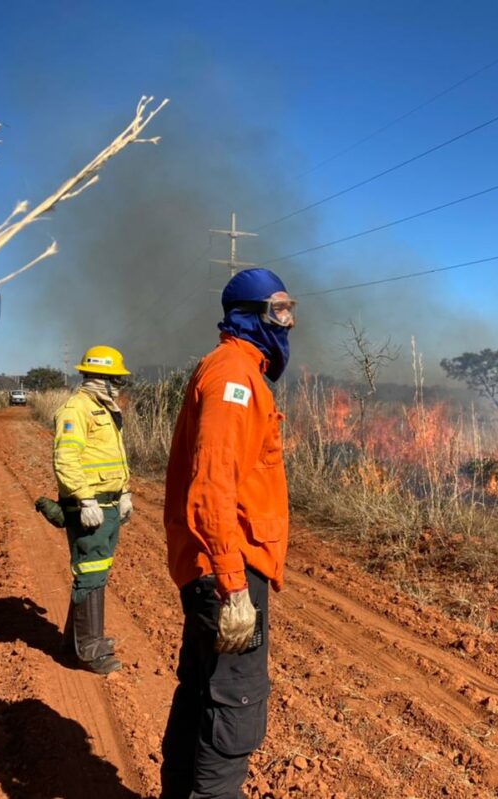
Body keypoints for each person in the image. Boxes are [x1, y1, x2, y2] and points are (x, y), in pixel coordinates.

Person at [160, 268, 295, 799]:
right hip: (227, 570)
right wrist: (233, 585)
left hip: (220, 566)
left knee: (201, 696)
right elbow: (213, 485)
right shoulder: (234, 378)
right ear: (252, 314)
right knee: (232, 707)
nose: (289, 321)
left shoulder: (234, 371)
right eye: (281, 309)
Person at [52, 345, 133, 675]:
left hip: (110, 504)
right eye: (116, 379)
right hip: (92, 507)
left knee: (97, 571)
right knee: (91, 573)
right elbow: (65, 459)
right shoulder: (77, 409)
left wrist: (125, 492)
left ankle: (75, 641)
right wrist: (84, 499)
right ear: (101, 378)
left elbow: (114, 458)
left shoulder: (105, 410)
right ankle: (90, 650)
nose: (120, 386)